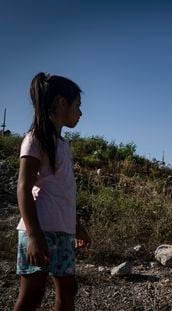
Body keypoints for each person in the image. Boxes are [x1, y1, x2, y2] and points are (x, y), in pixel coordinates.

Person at [14, 72, 91, 311]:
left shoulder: (63, 144)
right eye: (77, 106)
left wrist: (75, 225)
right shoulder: (35, 139)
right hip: (39, 230)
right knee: (32, 295)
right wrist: (34, 236)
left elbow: (63, 193)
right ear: (61, 103)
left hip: (63, 232)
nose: (80, 112)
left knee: (68, 292)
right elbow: (23, 188)